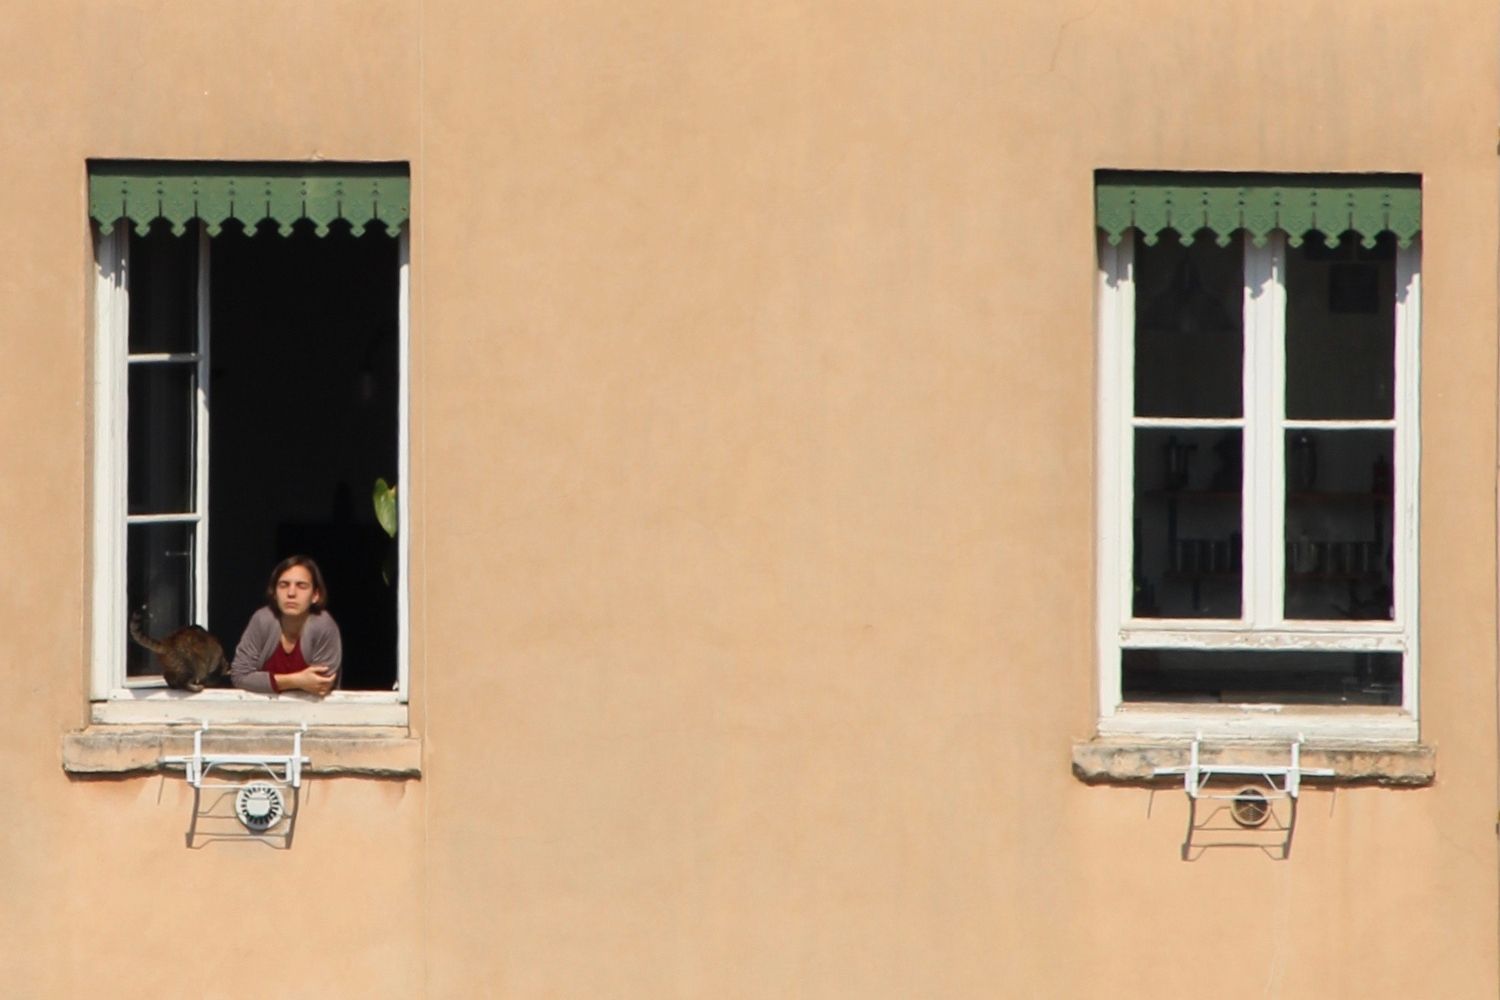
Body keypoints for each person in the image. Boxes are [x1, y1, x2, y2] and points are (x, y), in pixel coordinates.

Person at [230, 555, 342, 696]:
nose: (291, 593)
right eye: (283, 585)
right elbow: (240, 676)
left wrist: (266, 682)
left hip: (313, 713)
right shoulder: (263, 620)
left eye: (301, 586)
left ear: (315, 595)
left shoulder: (323, 625)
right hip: (261, 712)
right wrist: (297, 681)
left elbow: (321, 684)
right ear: (275, 593)